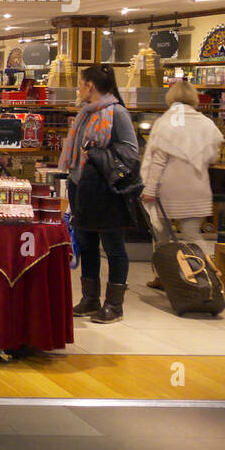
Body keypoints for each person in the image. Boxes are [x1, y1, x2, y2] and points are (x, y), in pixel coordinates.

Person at [59, 65, 140, 323]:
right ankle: (90, 299)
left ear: (90, 86)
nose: (79, 89)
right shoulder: (86, 113)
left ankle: (114, 305)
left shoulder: (117, 113)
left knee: (114, 247)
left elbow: (130, 154)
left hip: (106, 191)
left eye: (81, 84)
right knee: (87, 244)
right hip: (82, 189)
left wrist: (94, 153)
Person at [141, 79, 223, 289]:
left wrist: (149, 190)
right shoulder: (207, 124)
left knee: (162, 237)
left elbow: (158, 161)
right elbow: (213, 156)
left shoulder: (166, 122)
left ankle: (164, 277)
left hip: (168, 189)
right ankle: (207, 279)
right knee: (193, 237)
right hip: (198, 188)